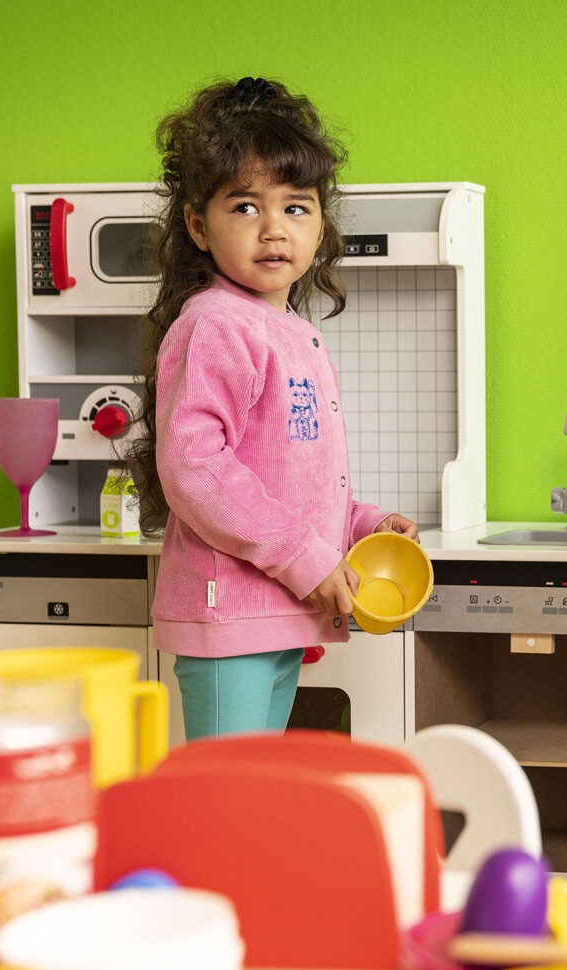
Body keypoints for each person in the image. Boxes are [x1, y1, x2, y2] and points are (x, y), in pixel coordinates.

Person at [127, 77, 417, 741]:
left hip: (274, 608)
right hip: (229, 616)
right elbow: (194, 467)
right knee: (227, 799)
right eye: (246, 208)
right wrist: (306, 559)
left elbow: (288, 481)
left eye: (296, 207)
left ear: (320, 223)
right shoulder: (217, 325)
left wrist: (360, 525)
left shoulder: (291, 333)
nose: (273, 229)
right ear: (199, 226)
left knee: (251, 792)